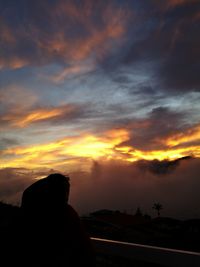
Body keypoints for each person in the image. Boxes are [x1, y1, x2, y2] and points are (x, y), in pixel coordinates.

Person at [19, 173, 96, 267]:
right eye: (65, 190)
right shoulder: (64, 212)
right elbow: (84, 247)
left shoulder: (32, 202)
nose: (67, 194)